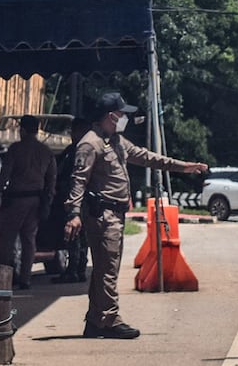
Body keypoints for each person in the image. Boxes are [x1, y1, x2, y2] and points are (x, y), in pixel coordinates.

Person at [64, 92, 208, 339]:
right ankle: (110, 320)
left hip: (115, 214)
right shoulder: (90, 143)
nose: (124, 118)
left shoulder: (116, 141)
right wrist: (73, 213)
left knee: (104, 270)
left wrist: (183, 166)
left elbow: (147, 157)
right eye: (121, 114)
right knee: (107, 269)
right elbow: (78, 180)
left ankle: (95, 320)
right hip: (102, 214)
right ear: (111, 116)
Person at [0, 114, 57, 290]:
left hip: (16, 199)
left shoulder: (16, 149)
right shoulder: (46, 151)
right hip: (36, 200)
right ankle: (26, 278)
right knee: (29, 240)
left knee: (7, 240)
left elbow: (4, 175)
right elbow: (52, 179)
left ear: (23, 130)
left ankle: (2, 278)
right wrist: (48, 200)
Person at [50, 116, 91, 283]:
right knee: (82, 236)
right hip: (83, 198)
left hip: (75, 198)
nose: (71, 134)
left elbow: (62, 173)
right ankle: (79, 268)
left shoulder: (77, 150)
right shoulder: (83, 149)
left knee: (74, 235)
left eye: (74, 130)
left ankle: (73, 269)